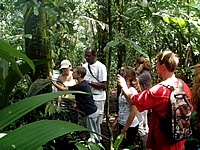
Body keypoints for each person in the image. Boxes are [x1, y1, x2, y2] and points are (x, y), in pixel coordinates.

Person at [117, 51, 192, 150]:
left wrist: (123, 86)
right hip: (179, 139)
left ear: (163, 67)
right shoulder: (184, 86)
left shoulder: (159, 90)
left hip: (162, 142)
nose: (155, 66)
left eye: (157, 63)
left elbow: (133, 100)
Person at [52, 66, 101, 143]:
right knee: (96, 135)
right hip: (93, 112)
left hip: (90, 114)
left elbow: (63, 90)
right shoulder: (83, 84)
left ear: (80, 75)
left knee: (93, 137)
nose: (72, 74)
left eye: (74, 72)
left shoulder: (81, 86)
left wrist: (52, 82)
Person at [112, 66, 139, 148]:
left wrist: (125, 130)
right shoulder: (123, 90)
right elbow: (122, 108)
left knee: (127, 146)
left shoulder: (132, 92)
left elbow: (133, 113)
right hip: (122, 123)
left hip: (130, 126)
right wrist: (117, 121)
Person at [82, 47, 107, 125]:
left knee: (97, 120)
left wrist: (88, 82)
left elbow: (104, 85)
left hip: (98, 98)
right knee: (88, 119)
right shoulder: (84, 66)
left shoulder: (101, 67)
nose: (87, 58)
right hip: (87, 98)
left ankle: (97, 136)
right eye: (86, 56)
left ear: (94, 56)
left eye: (89, 56)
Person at [135, 57, 153, 149]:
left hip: (142, 102)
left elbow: (134, 80)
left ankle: (145, 145)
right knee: (144, 124)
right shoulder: (147, 74)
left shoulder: (145, 74)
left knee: (141, 125)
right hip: (144, 101)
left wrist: (138, 71)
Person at [57, 59, 78, 124]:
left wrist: (76, 102)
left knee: (74, 118)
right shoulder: (60, 77)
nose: (65, 70)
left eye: (66, 68)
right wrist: (58, 104)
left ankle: (75, 132)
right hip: (64, 100)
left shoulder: (74, 75)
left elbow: (78, 89)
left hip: (73, 100)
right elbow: (59, 91)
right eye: (63, 69)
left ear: (70, 67)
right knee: (64, 118)